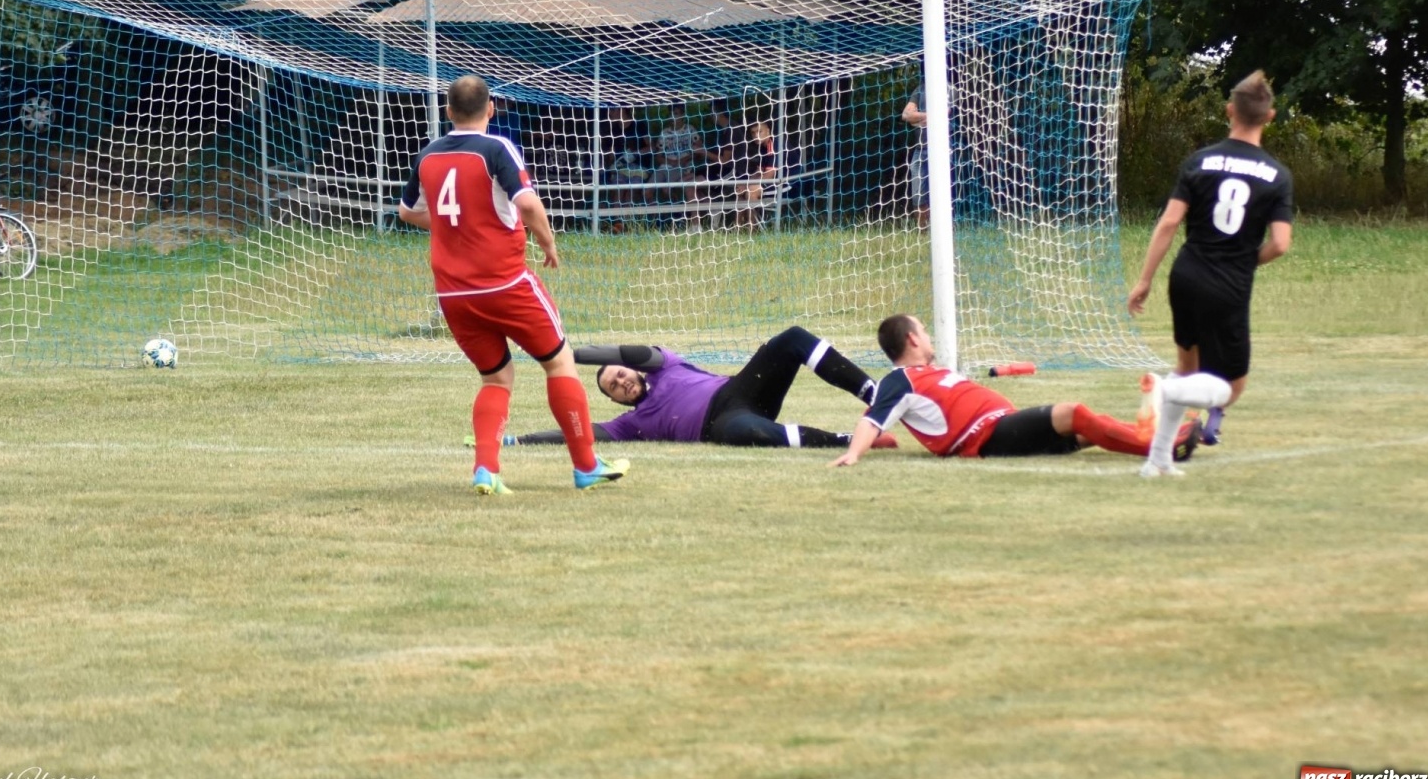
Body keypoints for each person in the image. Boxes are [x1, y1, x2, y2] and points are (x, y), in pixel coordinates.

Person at [398, 74, 630, 496]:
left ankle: (486, 470)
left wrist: (459, 223)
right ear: (490, 110)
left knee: (496, 379)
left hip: (453, 294)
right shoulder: (497, 148)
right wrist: (547, 240)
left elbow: (407, 212)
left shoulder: (428, 155)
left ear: (448, 112)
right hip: (504, 283)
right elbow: (525, 202)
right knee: (559, 364)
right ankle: (586, 466)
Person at [1126, 70, 1294, 478]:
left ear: (1229, 110)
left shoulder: (1199, 161)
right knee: (1230, 388)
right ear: (1269, 116)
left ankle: (1158, 460)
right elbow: (1281, 244)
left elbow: (1168, 223)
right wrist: (1246, 260)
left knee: (1187, 365)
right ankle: (1166, 392)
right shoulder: (1276, 175)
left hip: (1185, 275)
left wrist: (1145, 279)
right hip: (1228, 285)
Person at [830, 314, 1198, 467]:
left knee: (1088, 427)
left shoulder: (931, 371)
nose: (928, 335)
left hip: (1005, 426)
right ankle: (1164, 448)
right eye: (923, 330)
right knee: (1076, 413)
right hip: (987, 437)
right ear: (912, 338)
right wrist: (854, 454)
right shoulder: (900, 379)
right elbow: (873, 419)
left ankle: (1162, 436)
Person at [505, 326, 898, 450]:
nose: (621, 380)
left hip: (741, 390)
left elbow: (626, 351)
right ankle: (849, 439)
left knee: (791, 339)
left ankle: (876, 396)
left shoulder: (664, 364)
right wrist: (519, 441)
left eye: (620, 374)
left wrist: (562, 355)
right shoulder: (632, 423)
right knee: (740, 433)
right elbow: (580, 432)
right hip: (723, 423)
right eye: (613, 386)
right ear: (613, 399)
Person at [651, 106, 704, 205]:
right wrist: (672, 162)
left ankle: (677, 214)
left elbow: (700, 150)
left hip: (682, 167)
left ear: (683, 115)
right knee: (647, 191)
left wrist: (686, 159)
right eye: (671, 114)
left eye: (676, 114)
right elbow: (658, 156)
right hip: (666, 166)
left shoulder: (690, 129)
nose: (672, 117)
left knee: (666, 189)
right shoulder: (665, 132)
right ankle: (653, 218)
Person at [900, 89, 930, 228]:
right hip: (920, 150)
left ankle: (943, 231)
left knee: (942, 193)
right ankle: (923, 233)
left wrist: (916, 119)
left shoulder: (949, 89)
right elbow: (906, 115)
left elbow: (944, 114)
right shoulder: (920, 89)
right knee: (918, 195)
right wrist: (929, 116)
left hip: (943, 149)